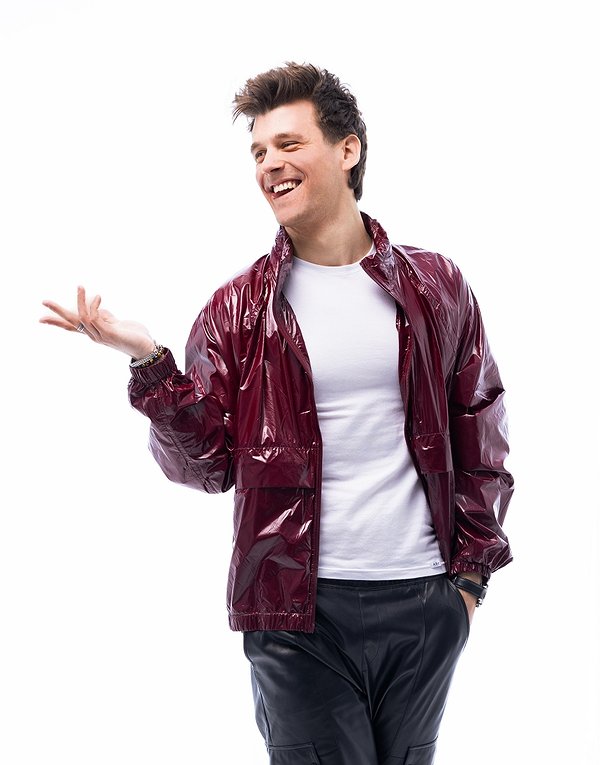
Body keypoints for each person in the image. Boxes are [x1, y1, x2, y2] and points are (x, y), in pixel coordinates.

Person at [40, 62, 514, 765]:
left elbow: (480, 426)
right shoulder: (238, 307)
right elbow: (207, 466)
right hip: (295, 612)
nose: (269, 164)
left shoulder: (436, 285)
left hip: (423, 602)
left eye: (289, 144)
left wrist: (469, 582)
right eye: (259, 151)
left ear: (347, 149)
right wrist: (149, 361)